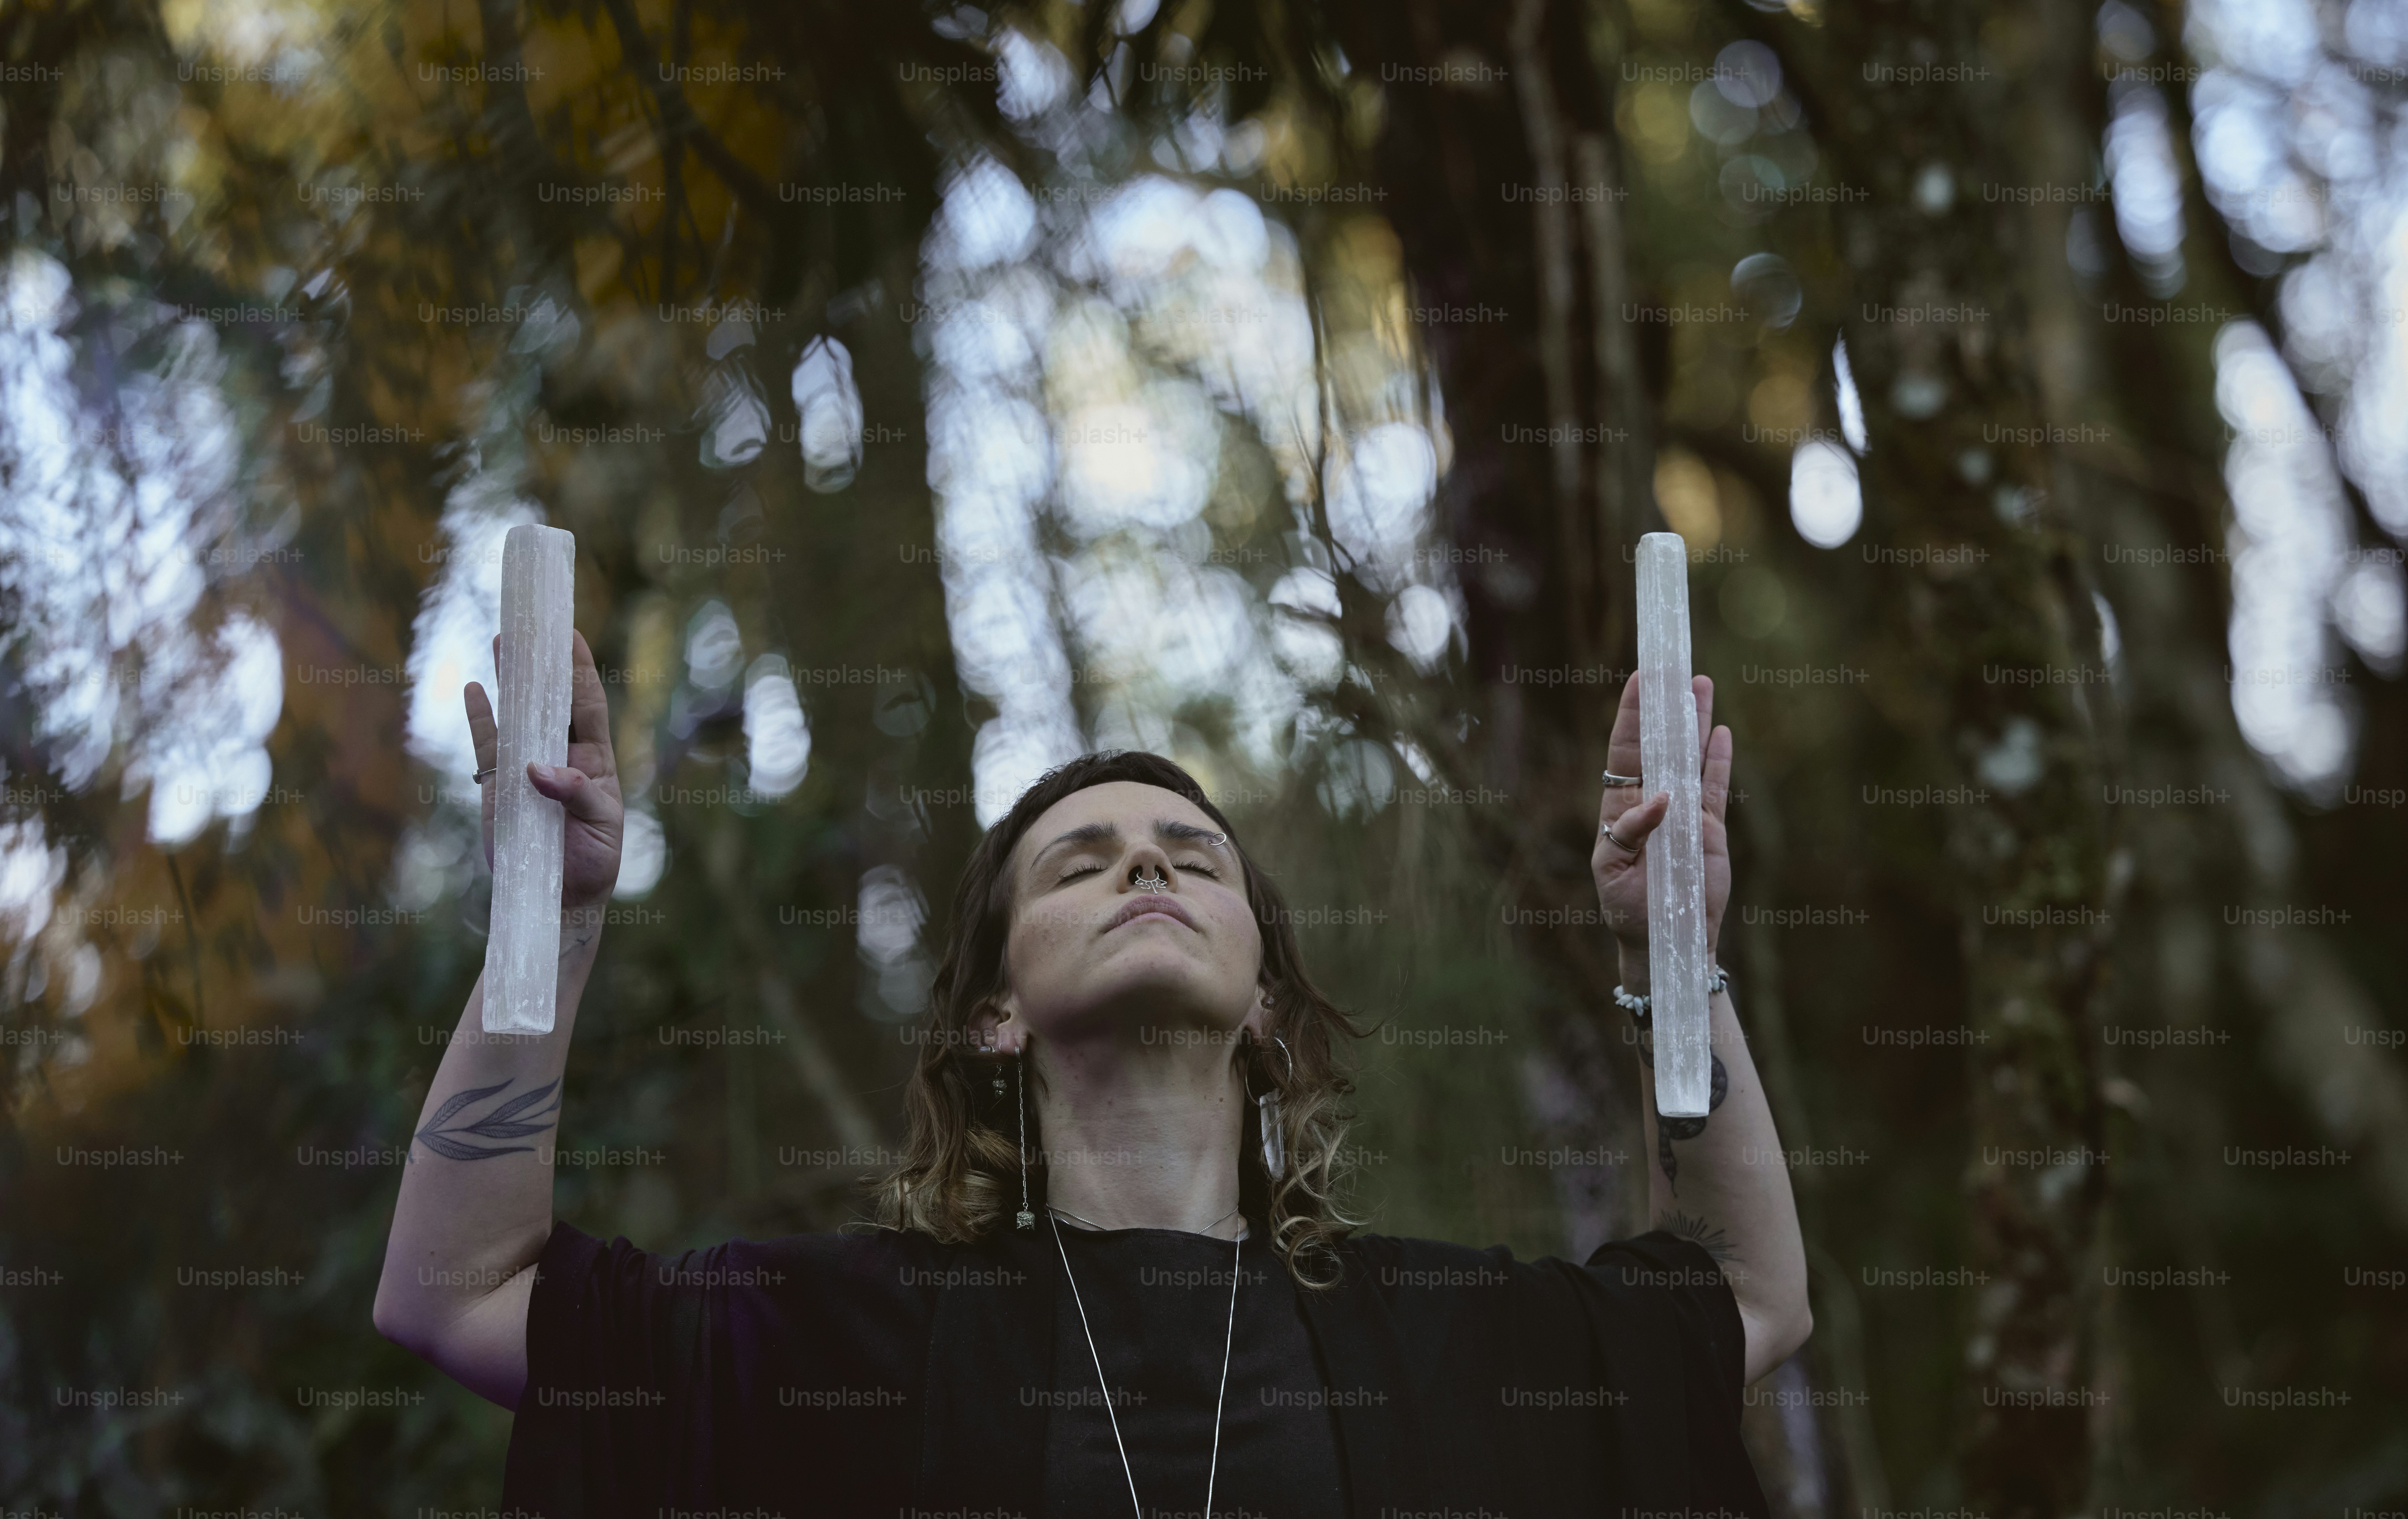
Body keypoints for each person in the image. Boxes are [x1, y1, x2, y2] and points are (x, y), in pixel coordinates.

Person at [374, 629, 1811, 1516]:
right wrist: (542, 917)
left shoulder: (1439, 1339)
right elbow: (460, 1292)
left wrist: (1672, 948)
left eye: (1195, 855)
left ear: (1263, 1005)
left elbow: (1749, 1295)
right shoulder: (842, 1345)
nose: (1147, 858)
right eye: (1085, 857)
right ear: (995, 1012)